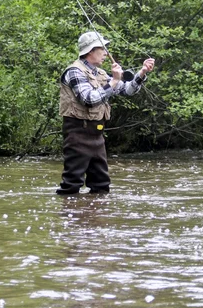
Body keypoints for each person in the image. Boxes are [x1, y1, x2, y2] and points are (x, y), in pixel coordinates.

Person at [56, 31, 155, 195]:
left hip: (97, 135)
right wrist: (114, 81)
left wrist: (142, 73)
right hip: (77, 134)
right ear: (90, 51)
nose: (106, 53)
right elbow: (88, 99)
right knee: (72, 184)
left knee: (101, 185)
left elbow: (127, 90)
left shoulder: (100, 73)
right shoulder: (74, 72)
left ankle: (95, 218)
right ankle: (71, 218)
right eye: (102, 49)